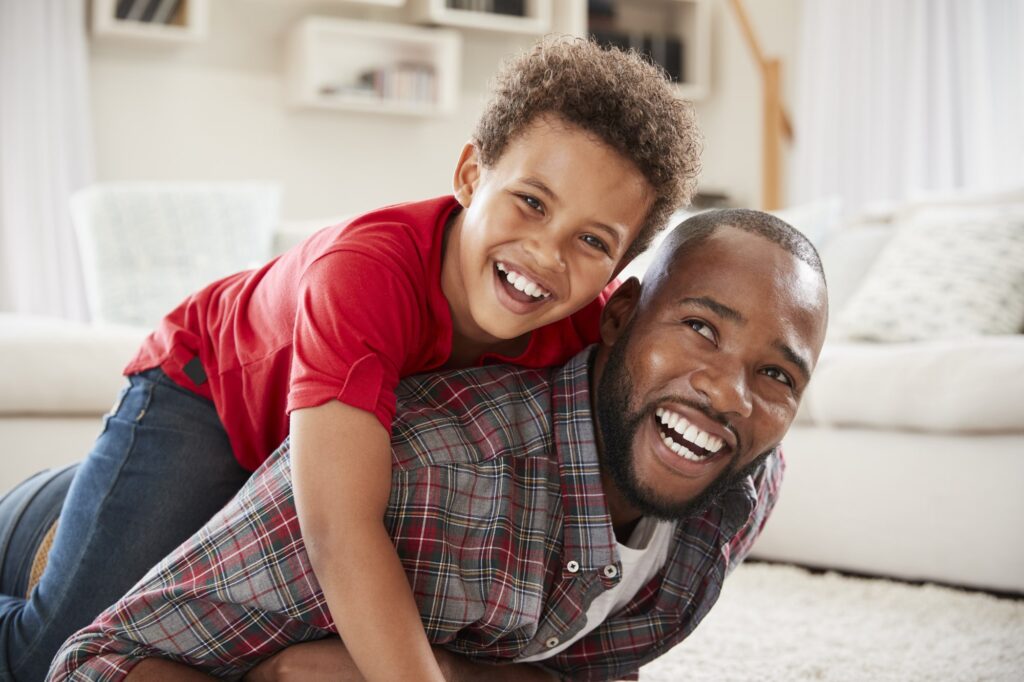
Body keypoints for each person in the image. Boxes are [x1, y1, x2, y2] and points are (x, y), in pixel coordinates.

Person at [0, 37, 701, 682]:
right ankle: (43, 514)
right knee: (49, 656)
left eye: (592, 242)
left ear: (620, 265)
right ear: (468, 175)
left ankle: (82, 506)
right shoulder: (365, 275)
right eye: (530, 202)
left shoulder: (588, 325)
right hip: (208, 399)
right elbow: (339, 530)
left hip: (320, 459)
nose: (547, 254)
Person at [47, 209, 830, 682]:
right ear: (619, 317)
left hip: (272, 468)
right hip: (191, 401)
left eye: (775, 375)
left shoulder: (740, 488)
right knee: (39, 641)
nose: (730, 395)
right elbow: (96, 663)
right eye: (700, 329)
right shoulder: (430, 468)